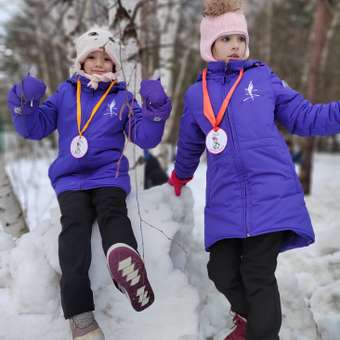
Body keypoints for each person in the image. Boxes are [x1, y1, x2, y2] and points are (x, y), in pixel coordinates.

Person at [168, 1, 340, 339]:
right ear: (209, 46)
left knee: (258, 272)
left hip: (270, 192)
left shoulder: (263, 78)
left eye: (240, 38)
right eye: (226, 38)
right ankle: (249, 320)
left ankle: (264, 334)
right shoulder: (195, 94)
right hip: (226, 199)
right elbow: (190, 143)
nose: (235, 45)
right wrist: (179, 177)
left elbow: (304, 117)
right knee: (221, 271)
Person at [8, 27, 172, 340]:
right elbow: (36, 127)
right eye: (91, 57)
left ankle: (125, 264)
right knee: (74, 232)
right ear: (80, 62)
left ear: (115, 65)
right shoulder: (66, 93)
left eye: (106, 58)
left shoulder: (123, 98)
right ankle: (81, 318)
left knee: (113, 213)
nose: (99, 63)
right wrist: (25, 106)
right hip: (70, 180)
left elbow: (146, 136)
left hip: (108, 175)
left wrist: (154, 111)